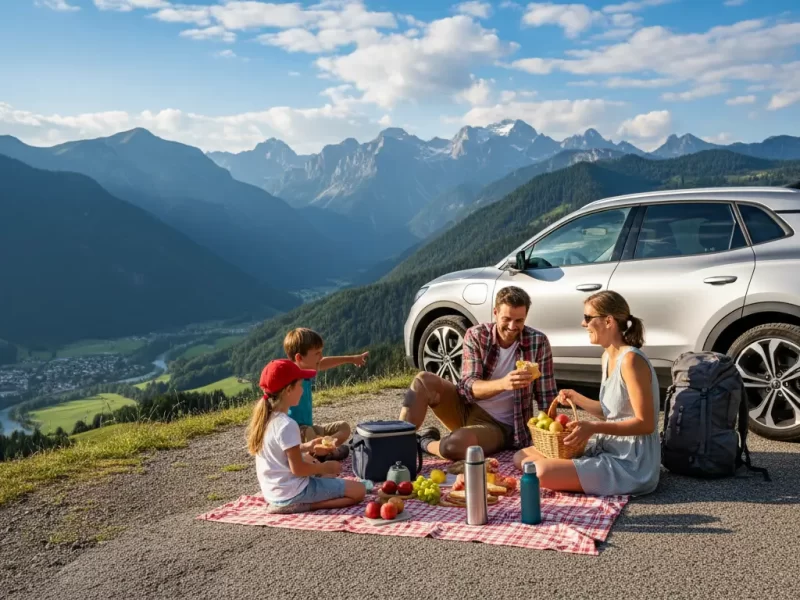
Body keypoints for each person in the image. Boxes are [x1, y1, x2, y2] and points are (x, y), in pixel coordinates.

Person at [513, 290, 661, 496]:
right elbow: (613, 413)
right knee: (522, 455)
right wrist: (576, 397)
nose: (584, 324)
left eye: (588, 318)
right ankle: (570, 471)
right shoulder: (607, 357)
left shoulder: (631, 361)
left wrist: (592, 427)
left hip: (631, 462)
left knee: (540, 472)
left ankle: (567, 471)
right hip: (609, 448)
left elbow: (646, 424)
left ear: (608, 321)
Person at [401, 286, 558, 461]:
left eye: (519, 321)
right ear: (495, 313)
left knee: (454, 446)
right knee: (423, 380)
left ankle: (424, 442)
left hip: (499, 426)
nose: (512, 327)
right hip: (466, 408)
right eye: (507, 319)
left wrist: (554, 433)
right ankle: (396, 443)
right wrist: (504, 384)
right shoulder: (477, 335)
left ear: (526, 317)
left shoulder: (538, 342)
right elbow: (467, 387)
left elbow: (547, 396)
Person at [247, 359, 366, 513]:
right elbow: (298, 469)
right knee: (359, 491)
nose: (302, 391)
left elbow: (280, 450)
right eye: (300, 386)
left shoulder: (266, 418)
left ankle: (294, 502)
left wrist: (307, 446)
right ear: (288, 390)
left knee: (322, 473)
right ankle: (306, 505)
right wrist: (325, 467)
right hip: (293, 493)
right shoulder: (287, 424)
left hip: (272, 493)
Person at [284, 328, 369, 461]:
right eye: (317, 353)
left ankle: (327, 449)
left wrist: (352, 359)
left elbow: (324, 363)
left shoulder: (307, 370)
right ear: (299, 358)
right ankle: (323, 454)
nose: (321, 356)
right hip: (297, 433)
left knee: (344, 427)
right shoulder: (290, 377)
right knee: (308, 432)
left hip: (310, 429)